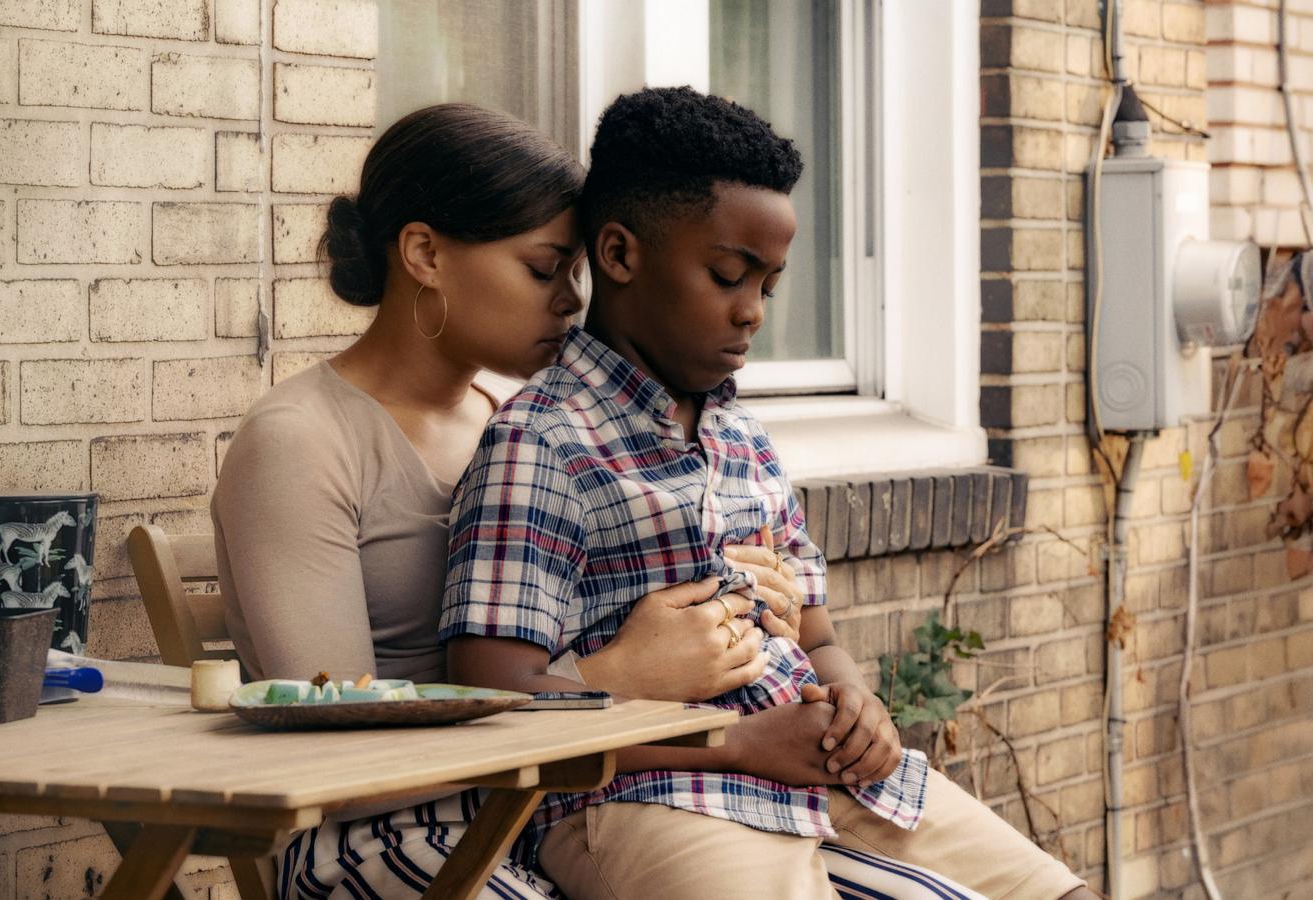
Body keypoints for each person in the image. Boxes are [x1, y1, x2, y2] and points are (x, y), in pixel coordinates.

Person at [440, 86, 1094, 900]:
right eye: (726, 276)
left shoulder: (743, 437)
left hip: (823, 775)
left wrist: (856, 702)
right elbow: (494, 705)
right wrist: (740, 744)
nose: (751, 312)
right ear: (618, 254)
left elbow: (814, 636)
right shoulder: (542, 444)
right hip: (645, 799)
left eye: (770, 286)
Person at [210, 102, 802, 900]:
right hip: (394, 838)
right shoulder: (299, 441)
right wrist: (614, 674)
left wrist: (750, 602)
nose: (570, 300)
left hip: (554, 805)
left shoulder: (518, 422)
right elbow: (337, 748)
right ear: (424, 253)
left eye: (575, 273)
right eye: (541, 268)